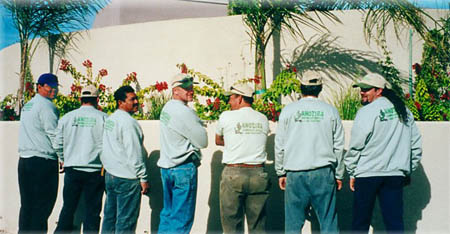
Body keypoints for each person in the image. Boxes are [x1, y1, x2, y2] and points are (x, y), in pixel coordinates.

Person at [344, 73, 422, 233]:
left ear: (379, 90)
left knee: (360, 223)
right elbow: (415, 144)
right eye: (361, 89)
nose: (362, 92)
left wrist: (352, 171)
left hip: (367, 175)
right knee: (394, 224)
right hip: (394, 175)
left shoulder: (366, 112)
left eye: (366, 89)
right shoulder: (403, 110)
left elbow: (356, 146)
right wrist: (407, 170)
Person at [275, 70, 345, 234]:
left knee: (293, 225)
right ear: (320, 88)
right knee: (329, 223)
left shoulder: (288, 111)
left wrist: (280, 172)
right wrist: (339, 174)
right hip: (323, 173)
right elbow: (339, 146)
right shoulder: (331, 111)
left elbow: (280, 144)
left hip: (295, 173)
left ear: (301, 87)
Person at [215, 83, 270, 233]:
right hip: (258, 173)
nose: (229, 102)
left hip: (234, 173)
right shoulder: (263, 118)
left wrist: (234, 141)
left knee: (231, 226)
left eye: (231, 98)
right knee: (258, 226)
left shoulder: (226, 116)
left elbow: (218, 140)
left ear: (239, 98)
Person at [157, 73, 208, 234]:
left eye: (192, 87)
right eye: (186, 88)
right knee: (181, 221)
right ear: (175, 90)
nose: (191, 90)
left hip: (167, 168)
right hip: (183, 169)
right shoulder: (185, 112)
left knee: (168, 215)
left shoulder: (167, 108)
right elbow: (202, 141)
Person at [53, 85, 108, 234]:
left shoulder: (67, 117)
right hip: (96, 172)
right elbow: (109, 145)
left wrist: (63, 159)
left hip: (72, 170)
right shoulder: (104, 118)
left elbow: (57, 143)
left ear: (80, 99)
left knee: (68, 209)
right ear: (97, 100)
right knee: (92, 213)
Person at [100, 85, 149, 233]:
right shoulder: (128, 123)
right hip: (126, 178)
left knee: (110, 218)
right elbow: (134, 153)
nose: (136, 102)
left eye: (136, 98)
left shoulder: (111, 119)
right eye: (132, 99)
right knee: (125, 222)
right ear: (120, 102)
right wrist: (143, 178)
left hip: (111, 175)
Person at [18, 73, 60, 233]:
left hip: (25, 161)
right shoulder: (47, 106)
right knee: (43, 206)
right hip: (42, 162)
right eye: (50, 86)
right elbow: (53, 134)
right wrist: (62, 157)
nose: (53, 90)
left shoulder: (28, 105)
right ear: (39, 87)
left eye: (55, 87)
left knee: (27, 205)